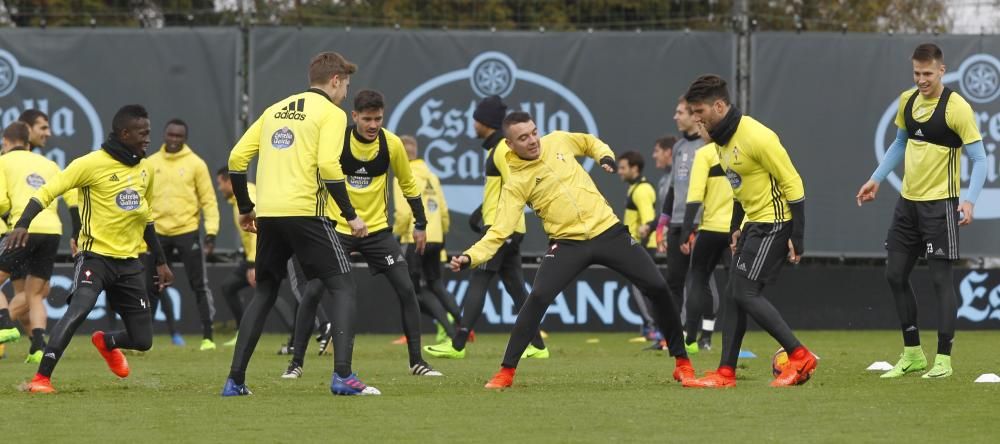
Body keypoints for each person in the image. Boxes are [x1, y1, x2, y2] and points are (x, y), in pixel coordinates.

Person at [449, 111, 695, 389]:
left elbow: (589, 142)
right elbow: (498, 231)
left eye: (533, 132)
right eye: (523, 137)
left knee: (658, 287)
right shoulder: (516, 183)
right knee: (537, 297)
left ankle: (682, 363)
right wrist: (471, 256)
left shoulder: (558, 140)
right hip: (567, 244)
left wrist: (604, 155)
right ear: (509, 144)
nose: (532, 140)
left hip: (609, 233)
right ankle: (506, 372)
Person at [223, 51, 379, 396]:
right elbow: (327, 165)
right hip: (306, 212)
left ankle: (234, 381)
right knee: (342, 286)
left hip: (269, 214)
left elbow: (236, 158)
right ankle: (343, 376)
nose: (345, 94)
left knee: (264, 291)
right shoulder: (331, 113)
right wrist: (351, 215)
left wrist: (246, 207)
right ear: (335, 80)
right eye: (346, 86)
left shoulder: (275, 109)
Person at [11, 104, 174, 394]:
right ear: (124, 133)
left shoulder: (145, 168)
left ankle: (106, 341)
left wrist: (160, 261)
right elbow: (48, 191)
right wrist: (23, 223)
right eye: (143, 133)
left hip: (129, 263)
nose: (148, 138)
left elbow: (146, 216)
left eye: (149, 132)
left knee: (143, 340)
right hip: (94, 257)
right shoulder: (90, 163)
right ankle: (41, 378)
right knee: (78, 310)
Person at [281, 89, 441, 379]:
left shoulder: (391, 145)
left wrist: (420, 224)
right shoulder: (336, 141)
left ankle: (417, 362)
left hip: (376, 231)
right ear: (354, 116)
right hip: (337, 229)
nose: (372, 125)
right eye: (366, 119)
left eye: (378, 118)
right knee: (314, 290)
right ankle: (296, 363)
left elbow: (408, 186)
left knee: (407, 289)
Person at [857, 43, 986, 380]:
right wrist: (876, 179)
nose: (921, 80)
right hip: (907, 205)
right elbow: (900, 142)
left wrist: (969, 200)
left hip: (941, 205)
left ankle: (943, 360)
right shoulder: (908, 101)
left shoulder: (957, 108)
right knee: (895, 275)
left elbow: (979, 158)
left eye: (927, 73)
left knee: (941, 281)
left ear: (941, 70)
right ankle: (912, 353)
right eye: (916, 73)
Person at [680, 75, 816, 388]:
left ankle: (799, 355)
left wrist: (799, 235)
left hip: (776, 221)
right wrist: (736, 227)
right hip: (754, 223)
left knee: (744, 292)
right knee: (733, 295)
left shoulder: (757, 135)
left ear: (718, 105)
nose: (695, 118)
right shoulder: (720, 142)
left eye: (699, 111)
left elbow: (793, 182)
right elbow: (739, 186)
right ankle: (725, 373)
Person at [424, 96, 547, 360]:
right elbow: (505, 187)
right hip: (506, 227)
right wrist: (481, 211)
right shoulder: (497, 150)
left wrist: (497, 221)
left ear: (485, 122)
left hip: (501, 229)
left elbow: (518, 183)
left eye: (476, 118)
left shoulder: (502, 150)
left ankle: (457, 344)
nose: (473, 123)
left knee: (479, 280)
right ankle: (538, 345)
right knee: (516, 289)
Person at [0, 121, 72, 363]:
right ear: (28, 142)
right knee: (36, 293)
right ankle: (38, 346)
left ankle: (4, 323)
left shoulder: (3, 161)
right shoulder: (49, 163)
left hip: (23, 229)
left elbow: (1, 203)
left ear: (5, 142)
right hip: (52, 230)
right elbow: (68, 194)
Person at [147, 119, 220, 350]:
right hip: (158, 232)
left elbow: (208, 200)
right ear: (164, 135)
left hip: (187, 231)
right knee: (153, 285)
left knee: (199, 284)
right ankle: (143, 337)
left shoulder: (196, 164)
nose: (174, 140)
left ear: (185, 139)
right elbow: (142, 199)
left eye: (179, 136)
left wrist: (211, 233)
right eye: (171, 135)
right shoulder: (150, 163)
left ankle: (208, 336)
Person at [658, 99, 718, 348]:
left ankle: (703, 336)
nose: (676, 116)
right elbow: (673, 189)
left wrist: (695, 225)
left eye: (680, 112)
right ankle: (675, 336)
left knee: (701, 280)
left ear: (695, 115)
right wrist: (663, 224)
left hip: (701, 224)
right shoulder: (680, 146)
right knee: (674, 281)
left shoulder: (710, 146)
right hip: (677, 224)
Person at [394, 134, 460, 344]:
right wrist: (441, 233)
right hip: (436, 237)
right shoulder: (432, 176)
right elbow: (444, 212)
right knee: (437, 285)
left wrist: (396, 234)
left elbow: (404, 213)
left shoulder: (401, 177)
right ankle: (464, 324)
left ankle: (449, 331)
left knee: (414, 291)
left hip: (415, 238)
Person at [679, 127, 731, 355]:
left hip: (710, 229)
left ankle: (690, 337)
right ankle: (727, 341)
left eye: (702, 125)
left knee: (698, 281)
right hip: (736, 231)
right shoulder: (738, 152)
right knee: (737, 288)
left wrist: (686, 230)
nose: (699, 130)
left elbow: (695, 195)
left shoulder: (705, 154)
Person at [615, 151, 662, 342]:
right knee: (641, 287)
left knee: (640, 287)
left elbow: (648, 220)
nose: (619, 171)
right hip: (637, 244)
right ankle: (650, 327)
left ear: (635, 168)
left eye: (623, 167)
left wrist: (640, 242)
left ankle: (652, 327)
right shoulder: (635, 188)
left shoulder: (641, 190)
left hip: (642, 245)